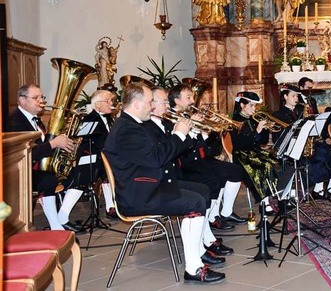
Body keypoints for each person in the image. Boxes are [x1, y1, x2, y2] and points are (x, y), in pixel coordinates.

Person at [102, 83, 225, 283]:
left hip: (149, 185)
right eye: (150, 102)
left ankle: (199, 250)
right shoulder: (126, 130)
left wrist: (181, 135)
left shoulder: (133, 124)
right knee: (194, 202)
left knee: (202, 190)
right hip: (138, 195)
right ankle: (193, 268)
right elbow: (157, 158)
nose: (152, 107)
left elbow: (159, 152)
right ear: (137, 103)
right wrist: (178, 134)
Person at [144, 87, 232, 257]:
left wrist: (196, 132)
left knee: (211, 183)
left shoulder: (162, 122)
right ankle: (203, 244)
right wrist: (184, 133)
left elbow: (185, 147)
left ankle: (205, 238)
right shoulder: (152, 126)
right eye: (164, 102)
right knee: (205, 186)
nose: (167, 106)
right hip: (172, 174)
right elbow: (172, 153)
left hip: (175, 171)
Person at [168, 84, 247, 231]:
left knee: (236, 170)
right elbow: (182, 147)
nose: (192, 101)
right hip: (186, 163)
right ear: (177, 101)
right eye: (188, 97)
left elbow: (200, 143)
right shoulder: (170, 119)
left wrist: (206, 131)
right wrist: (195, 130)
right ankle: (212, 218)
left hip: (199, 157)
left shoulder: (186, 115)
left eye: (192, 97)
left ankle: (225, 212)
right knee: (216, 178)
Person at [7, 84, 81, 232]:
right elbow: (25, 152)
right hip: (21, 172)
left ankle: (62, 216)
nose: (41, 100)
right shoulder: (14, 122)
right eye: (36, 98)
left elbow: (42, 147)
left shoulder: (36, 120)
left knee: (77, 173)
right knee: (48, 180)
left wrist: (62, 146)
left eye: (42, 97)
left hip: (38, 168)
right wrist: (53, 144)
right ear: (22, 100)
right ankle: (55, 226)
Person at [230, 92, 278, 209]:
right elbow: (240, 143)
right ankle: (264, 202)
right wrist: (257, 131)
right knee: (263, 165)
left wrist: (265, 129)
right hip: (241, 155)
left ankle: (271, 196)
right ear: (242, 105)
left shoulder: (252, 119)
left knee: (273, 161)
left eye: (255, 106)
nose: (254, 109)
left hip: (253, 151)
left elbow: (262, 142)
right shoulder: (236, 120)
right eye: (251, 105)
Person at [75, 89, 117, 219]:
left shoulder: (109, 118)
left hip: (102, 155)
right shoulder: (89, 118)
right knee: (85, 178)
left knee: (108, 172)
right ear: (98, 105)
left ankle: (111, 207)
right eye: (108, 101)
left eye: (111, 100)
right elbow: (88, 140)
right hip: (90, 155)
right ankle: (63, 215)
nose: (111, 103)